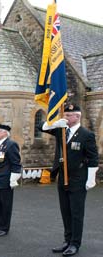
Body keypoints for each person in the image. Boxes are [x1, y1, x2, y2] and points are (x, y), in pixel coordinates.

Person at [41, 104, 99, 256]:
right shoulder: (61, 130)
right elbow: (43, 127)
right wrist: (54, 123)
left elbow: (93, 158)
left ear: (77, 116)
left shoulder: (86, 135)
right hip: (63, 178)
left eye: (68, 115)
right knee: (65, 211)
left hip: (78, 178)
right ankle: (67, 240)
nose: (65, 117)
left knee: (76, 213)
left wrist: (91, 178)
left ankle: (75, 243)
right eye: (65, 115)